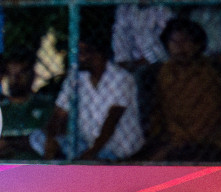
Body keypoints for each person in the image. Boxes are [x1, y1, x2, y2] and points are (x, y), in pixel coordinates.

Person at [31, 33, 144, 161]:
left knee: (96, 158)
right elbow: (58, 114)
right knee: (37, 137)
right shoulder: (76, 78)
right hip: (86, 144)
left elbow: (111, 121)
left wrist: (91, 154)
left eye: (82, 52)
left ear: (98, 54)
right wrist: (51, 138)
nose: (77, 57)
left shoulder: (121, 78)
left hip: (116, 149)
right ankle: (67, 165)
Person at [143, 18, 221, 162]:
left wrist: (178, 141)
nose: (179, 48)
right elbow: (158, 112)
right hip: (173, 139)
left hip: (206, 142)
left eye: (185, 41)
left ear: (197, 44)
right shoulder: (165, 72)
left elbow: (210, 119)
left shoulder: (207, 73)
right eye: (174, 42)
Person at [112, 0, 174, 74]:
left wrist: (147, 60)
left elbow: (167, 36)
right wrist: (123, 61)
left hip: (159, 63)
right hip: (131, 64)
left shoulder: (163, 2)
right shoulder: (126, 5)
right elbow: (120, 35)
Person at [1, 50, 54, 158]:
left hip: (38, 168)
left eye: (21, 73)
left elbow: (51, 143)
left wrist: (10, 143)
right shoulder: (2, 109)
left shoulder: (46, 106)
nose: (16, 79)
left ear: (32, 75)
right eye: (12, 74)